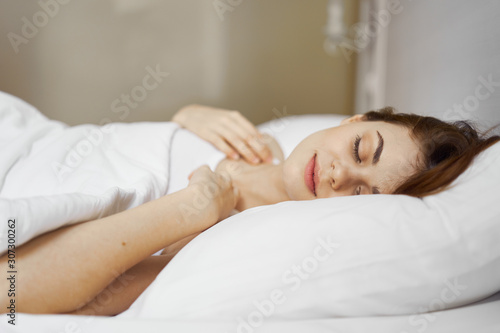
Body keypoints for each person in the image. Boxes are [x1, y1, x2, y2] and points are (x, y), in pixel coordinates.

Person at [0, 104, 498, 316]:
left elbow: (13, 287)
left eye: (363, 195)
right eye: (361, 148)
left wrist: (188, 210)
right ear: (355, 118)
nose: (338, 174)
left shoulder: (235, 240)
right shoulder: (259, 143)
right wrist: (187, 113)